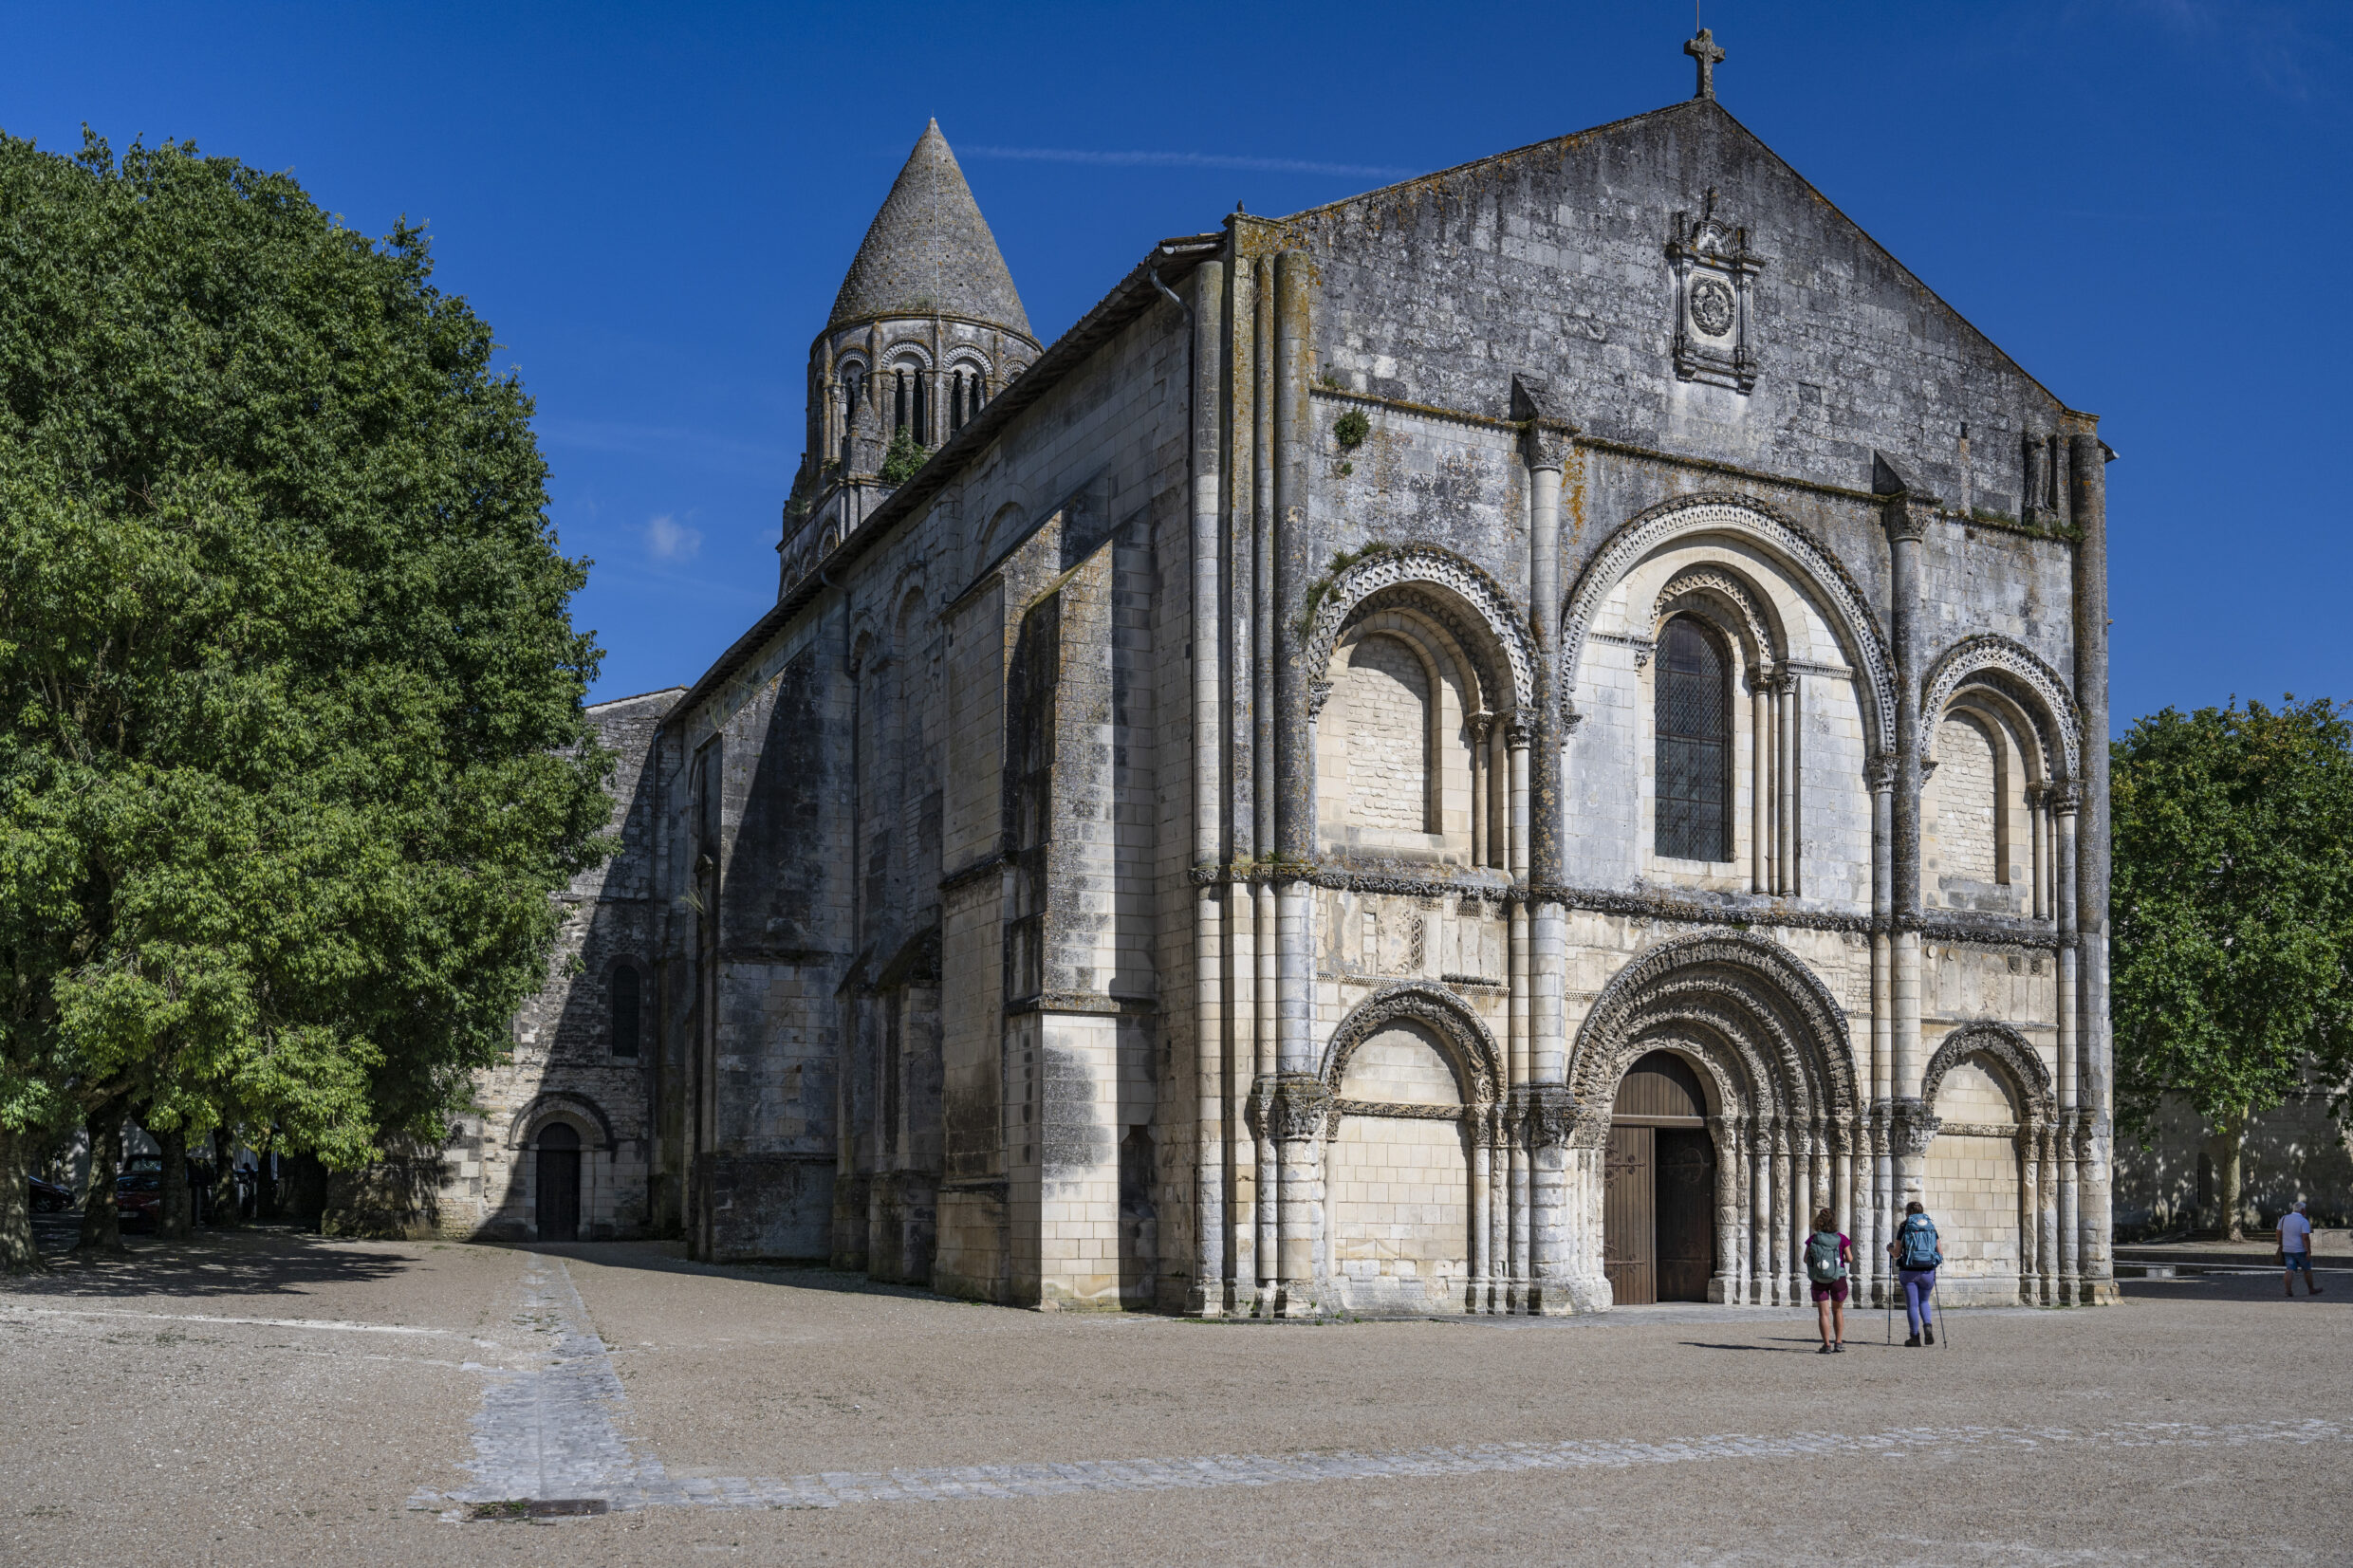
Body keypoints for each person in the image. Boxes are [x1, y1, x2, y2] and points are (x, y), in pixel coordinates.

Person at [1888, 1199, 1942, 1347]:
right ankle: (1928, 1326)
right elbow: (1940, 1252)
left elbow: (1897, 1253)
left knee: (1912, 1305)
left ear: (1908, 1213)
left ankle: (1915, 1337)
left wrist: (1890, 1249)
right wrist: (1933, 1264)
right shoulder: (1931, 1227)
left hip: (1909, 1271)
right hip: (1927, 1271)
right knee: (1924, 1301)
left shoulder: (1905, 1227)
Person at [1805, 1207, 1851, 1354]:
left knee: (1823, 1313)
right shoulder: (1842, 1238)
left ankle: (1826, 1345)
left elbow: (1806, 1259)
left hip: (1819, 1277)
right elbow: (1850, 1258)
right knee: (1838, 1311)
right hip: (1838, 1277)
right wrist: (1837, 1260)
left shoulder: (1814, 1239)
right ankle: (1838, 1342)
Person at [2279, 1198, 2323, 1298]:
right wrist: (2308, 1251)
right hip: (2300, 1250)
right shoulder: (2303, 1221)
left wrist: (2280, 1244)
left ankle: (2288, 1291)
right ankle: (2311, 1289)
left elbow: (2278, 1232)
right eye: (2305, 1210)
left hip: (2287, 1249)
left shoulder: (2284, 1218)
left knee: (2289, 1270)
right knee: (2307, 1269)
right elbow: (2305, 1237)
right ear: (2303, 1210)